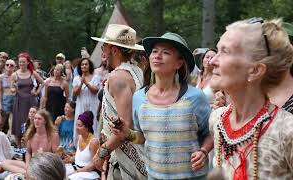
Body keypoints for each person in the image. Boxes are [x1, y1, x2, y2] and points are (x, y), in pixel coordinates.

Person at [111, 32, 213, 179]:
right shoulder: (139, 98)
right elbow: (143, 137)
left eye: (165, 52)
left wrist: (203, 151)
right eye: (154, 51)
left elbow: (211, 132)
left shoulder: (195, 97)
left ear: (178, 63)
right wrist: (127, 133)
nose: (157, 56)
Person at [209, 17, 293, 179]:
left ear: (255, 71)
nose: (212, 60)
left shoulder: (286, 131)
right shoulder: (217, 120)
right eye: (217, 50)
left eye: (225, 51)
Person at [91, 24, 147, 180]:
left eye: (104, 48)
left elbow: (125, 127)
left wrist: (102, 152)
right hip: (131, 152)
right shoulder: (137, 71)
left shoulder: (118, 77)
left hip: (128, 161)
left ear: (114, 50)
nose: (103, 54)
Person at [2, 110, 59, 174]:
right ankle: (28, 173)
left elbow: (56, 155)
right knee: (5, 163)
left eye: (39, 119)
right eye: (35, 118)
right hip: (32, 164)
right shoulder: (31, 134)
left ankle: (29, 174)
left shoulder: (53, 135)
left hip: (46, 165)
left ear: (45, 121)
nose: (36, 121)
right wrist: (27, 165)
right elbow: (28, 152)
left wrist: (45, 156)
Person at [11, 53, 43, 147]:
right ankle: (19, 147)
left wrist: (37, 92)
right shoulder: (14, 74)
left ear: (28, 62)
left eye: (23, 62)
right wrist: (15, 89)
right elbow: (12, 89)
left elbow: (43, 83)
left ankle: (33, 145)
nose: (21, 63)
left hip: (31, 101)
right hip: (19, 101)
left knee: (32, 122)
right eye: (20, 62)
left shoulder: (32, 73)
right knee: (18, 122)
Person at [67, 111, 100, 180]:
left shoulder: (93, 142)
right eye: (76, 125)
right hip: (76, 168)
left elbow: (93, 165)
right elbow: (81, 158)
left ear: (87, 127)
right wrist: (69, 158)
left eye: (79, 125)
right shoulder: (80, 137)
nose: (76, 127)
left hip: (89, 173)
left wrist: (77, 171)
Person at [73, 58, 100, 138]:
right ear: (80, 67)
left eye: (86, 64)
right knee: (80, 124)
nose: (84, 66)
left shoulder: (96, 77)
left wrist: (86, 83)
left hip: (93, 105)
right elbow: (76, 93)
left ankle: (94, 143)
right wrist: (81, 83)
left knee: (94, 124)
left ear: (89, 66)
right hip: (81, 105)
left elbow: (95, 91)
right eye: (82, 64)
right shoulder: (76, 78)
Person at [0, 59, 16, 134]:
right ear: (4, 66)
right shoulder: (1, 77)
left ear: (14, 67)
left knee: (12, 121)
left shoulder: (16, 76)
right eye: (7, 64)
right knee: (0, 122)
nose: (9, 66)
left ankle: (11, 138)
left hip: (15, 98)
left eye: (11, 65)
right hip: (5, 99)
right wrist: (0, 104)